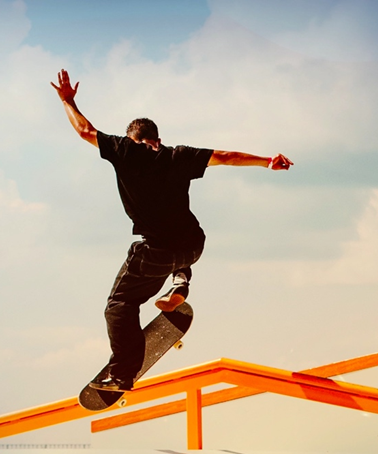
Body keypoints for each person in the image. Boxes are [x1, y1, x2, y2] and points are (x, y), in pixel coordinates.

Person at [51, 69, 292, 392]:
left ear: (132, 140)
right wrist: (267, 161)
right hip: (193, 245)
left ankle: (122, 373)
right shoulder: (178, 155)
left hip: (157, 253)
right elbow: (225, 157)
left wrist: (68, 101)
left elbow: (85, 131)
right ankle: (179, 284)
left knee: (119, 304)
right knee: (179, 246)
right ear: (158, 140)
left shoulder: (125, 151)